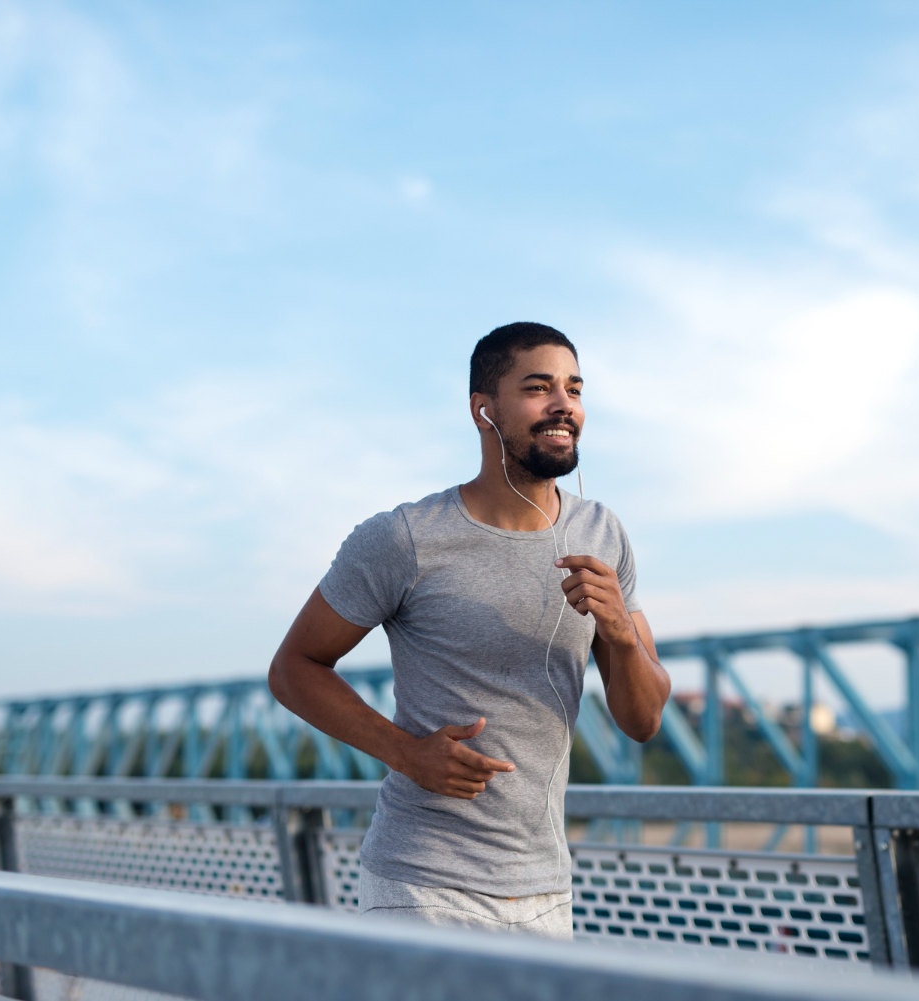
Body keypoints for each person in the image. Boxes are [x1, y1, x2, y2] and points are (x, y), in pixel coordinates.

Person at [267, 321, 669, 940]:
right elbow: (294, 668)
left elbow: (643, 721)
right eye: (539, 388)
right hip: (421, 884)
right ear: (485, 409)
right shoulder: (404, 537)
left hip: (545, 893)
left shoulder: (603, 534)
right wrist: (404, 752)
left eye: (575, 388)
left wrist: (619, 632)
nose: (564, 405)